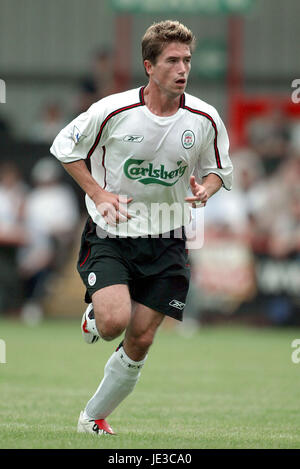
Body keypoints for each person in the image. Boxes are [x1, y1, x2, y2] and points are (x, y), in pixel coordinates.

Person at [50, 20, 233, 435]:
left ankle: (92, 418)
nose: (182, 68)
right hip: (113, 233)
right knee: (113, 321)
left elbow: (220, 170)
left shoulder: (204, 117)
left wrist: (206, 189)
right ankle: (95, 318)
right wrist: (98, 193)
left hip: (168, 239)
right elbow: (64, 147)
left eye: (187, 59)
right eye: (172, 60)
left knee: (142, 339)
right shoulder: (112, 110)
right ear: (149, 66)